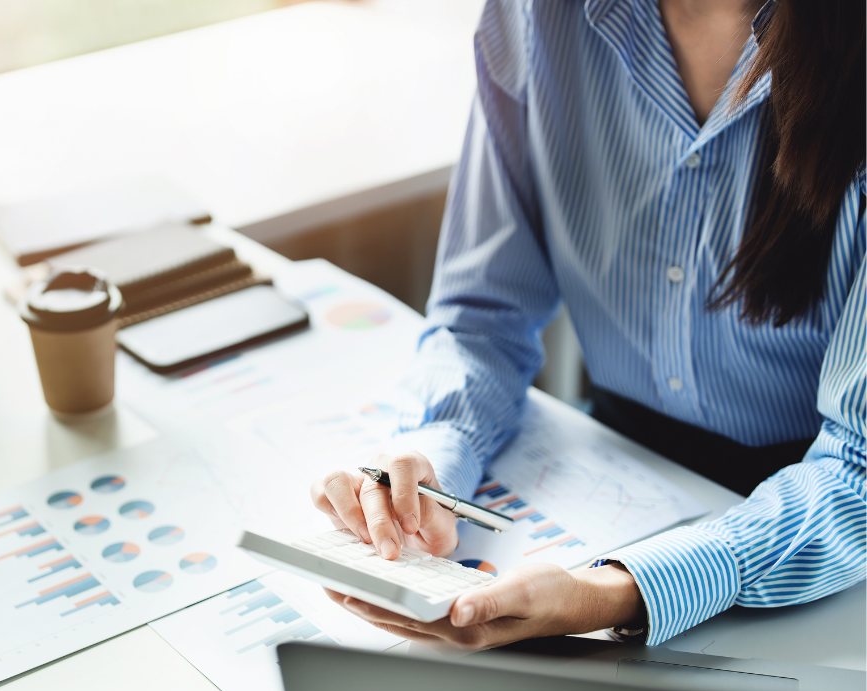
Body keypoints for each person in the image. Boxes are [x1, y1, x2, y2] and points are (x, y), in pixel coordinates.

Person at [310, 0, 865, 650]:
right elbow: (484, 314)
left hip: (811, 536)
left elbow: (858, 465)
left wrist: (614, 592)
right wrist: (433, 452)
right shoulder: (536, 15)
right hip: (614, 459)